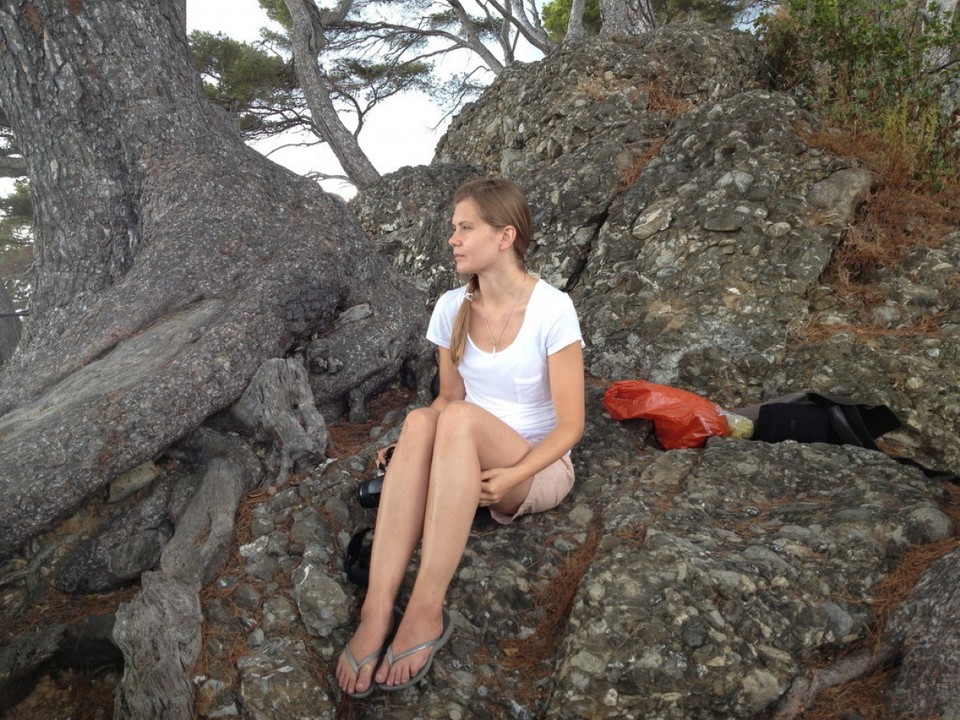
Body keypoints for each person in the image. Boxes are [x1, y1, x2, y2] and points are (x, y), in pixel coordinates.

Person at [335, 177, 585, 697]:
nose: (452, 238)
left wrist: (515, 474)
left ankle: (425, 609)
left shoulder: (552, 309)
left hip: (533, 465)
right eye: (453, 228)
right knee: (422, 420)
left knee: (456, 420)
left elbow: (571, 426)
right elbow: (447, 398)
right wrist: (413, 451)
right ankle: (378, 609)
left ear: (504, 236)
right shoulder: (452, 307)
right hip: (462, 448)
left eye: (465, 227)